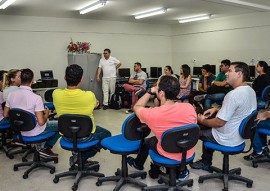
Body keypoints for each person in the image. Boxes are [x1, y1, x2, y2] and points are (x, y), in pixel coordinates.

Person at [127, 75, 197, 180]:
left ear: (161, 93)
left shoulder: (154, 114)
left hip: (168, 151)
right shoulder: (189, 107)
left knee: (147, 142)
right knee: (177, 136)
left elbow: (136, 107)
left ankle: (138, 164)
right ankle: (182, 170)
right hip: (187, 152)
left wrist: (149, 92)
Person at [190, 62, 257, 171]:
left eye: (230, 71)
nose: (226, 74)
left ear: (239, 74)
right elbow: (238, 110)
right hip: (239, 137)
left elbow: (219, 123)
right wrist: (216, 109)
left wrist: (201, 120)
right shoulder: (250, 91)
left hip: (227, 138)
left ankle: (198, 163)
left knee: (194, 130)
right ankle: (205, 161)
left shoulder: (233, 95)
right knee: (208, 123)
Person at [53, 64, 111, 164]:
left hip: (66, 135)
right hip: (86, 135)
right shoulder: (89, 95)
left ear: (65, 77)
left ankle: (77, 156)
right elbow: (96, 104)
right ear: (81, 79)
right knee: (107, 135)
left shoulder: (56, 94)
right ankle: (82, 157)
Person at [4, 68, 60, 157]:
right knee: (61, 125)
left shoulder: (11, 95)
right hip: (35, 131)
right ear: (32, 80)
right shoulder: (36, 98)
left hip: (20, 131)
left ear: (20, 79)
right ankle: (45, 148)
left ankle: (41, 147)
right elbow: (41, 122)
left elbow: (5, 114)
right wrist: (46, 114)